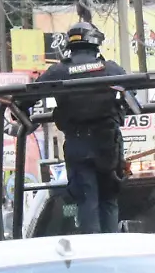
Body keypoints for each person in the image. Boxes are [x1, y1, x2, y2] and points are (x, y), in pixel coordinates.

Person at [33, 22, 129, 234]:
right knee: (109, 199)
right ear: (96, 43)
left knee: (86, 200)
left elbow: (27, 96)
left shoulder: (58, 71)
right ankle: (113, 249)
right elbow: (132, 96)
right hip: (108, 145)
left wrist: (20, 117)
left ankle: (93, 251)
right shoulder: (111, 70)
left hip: (78, 144)